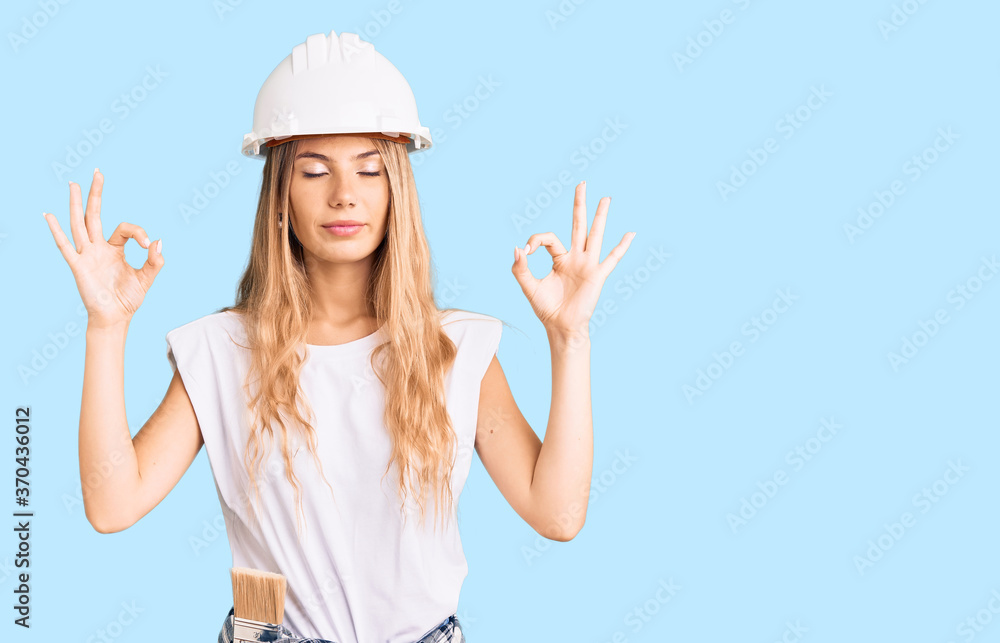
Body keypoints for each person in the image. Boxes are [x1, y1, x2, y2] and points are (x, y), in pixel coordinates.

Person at [42, 30, 635, 643]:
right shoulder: (223, 351)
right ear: (280, 198)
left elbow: (558, 515)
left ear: (395, 193)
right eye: (315, 171)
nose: (344, 195)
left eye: (370, 170)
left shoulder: (455, 351)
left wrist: (571, 340)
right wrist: (106, 328)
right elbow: (112, 506)